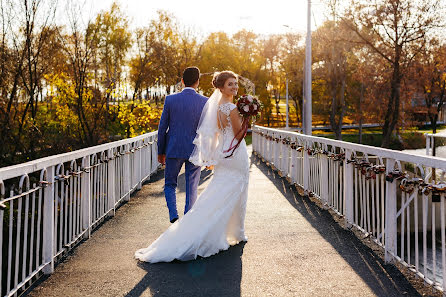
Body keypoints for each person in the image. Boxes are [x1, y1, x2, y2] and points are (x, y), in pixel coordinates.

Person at [135, 71, 250, 263]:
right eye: (231, 84)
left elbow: (211, 133)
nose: (235, 88)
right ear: (221, 87)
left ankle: (186, 221)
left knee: (213, 191)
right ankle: (233, 231)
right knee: (227, 190)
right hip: (234, 154)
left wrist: (212, 155)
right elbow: (239, 135)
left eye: (235, 84)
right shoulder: (229, 107)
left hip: (219, 152)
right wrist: (247, 119)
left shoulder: (216, 106)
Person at [156, 66, 208, 223]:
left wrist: (161, 150)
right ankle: (188, 219)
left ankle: (173, 214)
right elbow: (207, 130)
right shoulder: (205, 102)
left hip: (173, 148)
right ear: (197, 82)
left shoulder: (170, 99)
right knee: (192, 185)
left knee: (170, 183)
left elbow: (162, 127)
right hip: (195, 149)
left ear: (182, 81)